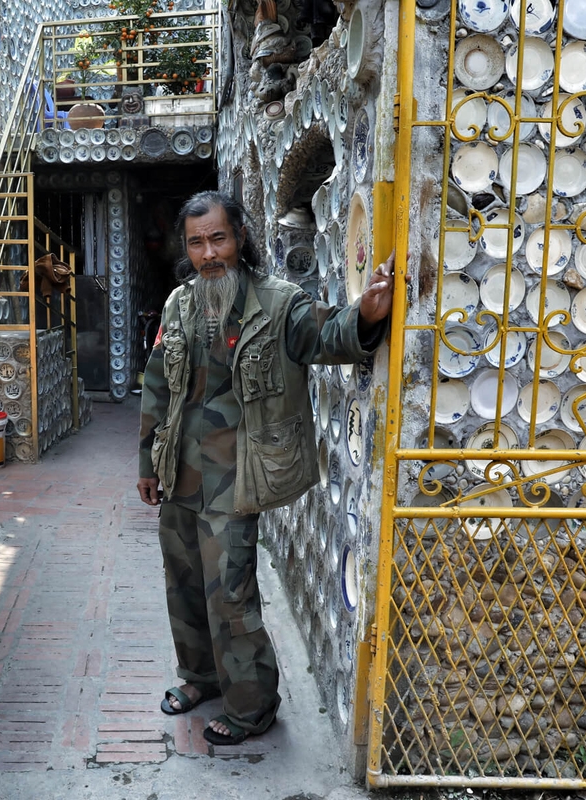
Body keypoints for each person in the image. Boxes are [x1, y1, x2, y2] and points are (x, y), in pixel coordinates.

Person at [136, 191, 394, 745]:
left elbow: (324, 335)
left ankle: (253, 707)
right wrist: (147, 461)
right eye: (197, 242)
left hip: (238, 479)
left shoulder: (279, 304)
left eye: (219, 239)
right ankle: (200, 677)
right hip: (180, 473)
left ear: (241, 238)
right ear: (187, 248)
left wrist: (366, 316)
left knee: (229, 594)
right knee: (183, 585)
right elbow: (157, 385)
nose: (209, 253)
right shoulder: (179, 305)